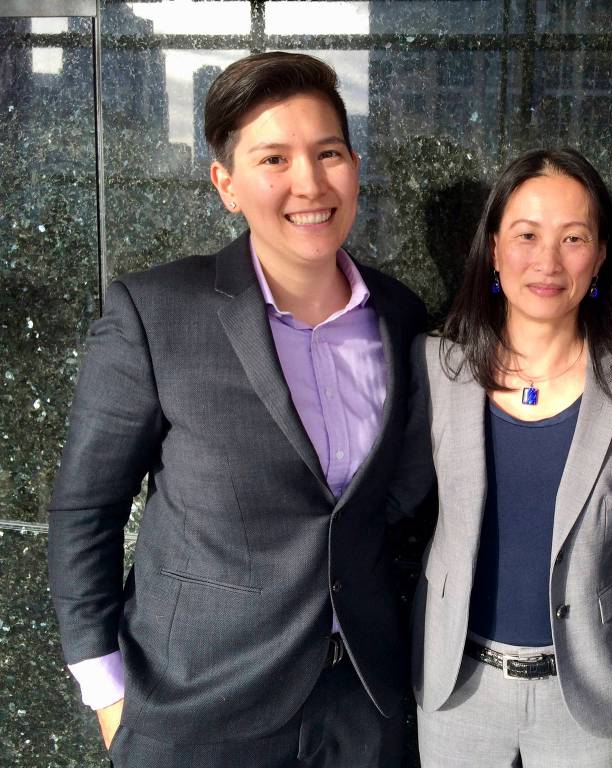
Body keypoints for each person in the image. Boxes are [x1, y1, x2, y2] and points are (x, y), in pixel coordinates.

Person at [47, 52, 425, 768]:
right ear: (226, 184)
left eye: (328, 153)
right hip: (199, 707)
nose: (309, 183)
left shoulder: (401, 315)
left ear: (355, 164)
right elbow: (85, 512)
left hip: (365, 708)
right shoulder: (156, 312)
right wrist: (107, 693)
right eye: (273, 158)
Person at [387, 148, 612, 768]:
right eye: (527, 235)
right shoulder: (438, 367)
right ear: (494, 248)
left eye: (573, 238)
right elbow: (396, 501)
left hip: (588, 694)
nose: (548, 261)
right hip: (458, 685)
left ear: (599, 257)